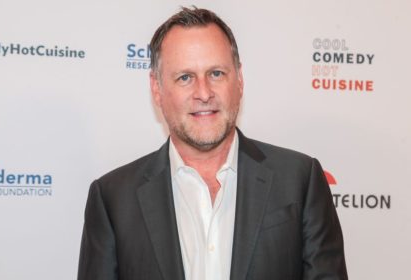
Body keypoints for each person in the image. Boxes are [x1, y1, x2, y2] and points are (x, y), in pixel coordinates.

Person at [77, 7, 348, 280]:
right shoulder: (113, 200)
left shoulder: (300, 180)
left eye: (216, 73)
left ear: (239, 80)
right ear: (157, 89)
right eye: (185, 77)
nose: (204, 93)